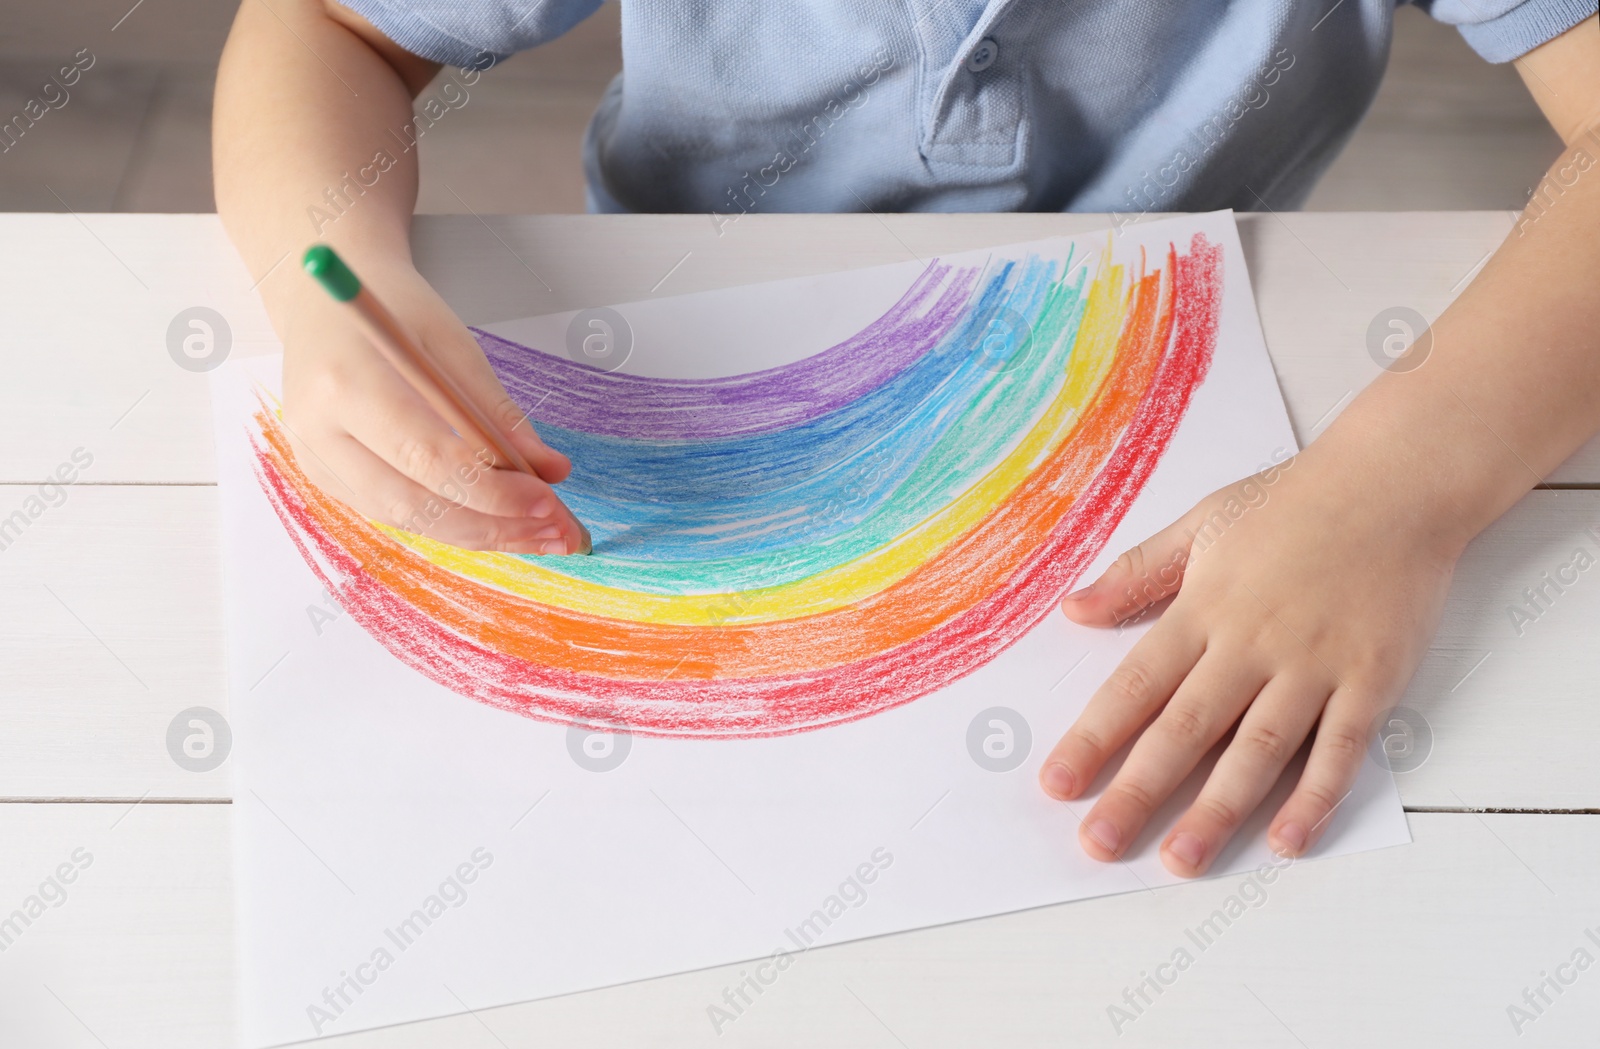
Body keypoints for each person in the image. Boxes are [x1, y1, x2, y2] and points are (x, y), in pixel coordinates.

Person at [213, 0, 1600, 876]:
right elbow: (331, 32)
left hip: (1219, 343)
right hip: (676, 315)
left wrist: (1397, 491)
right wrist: (329, 279)